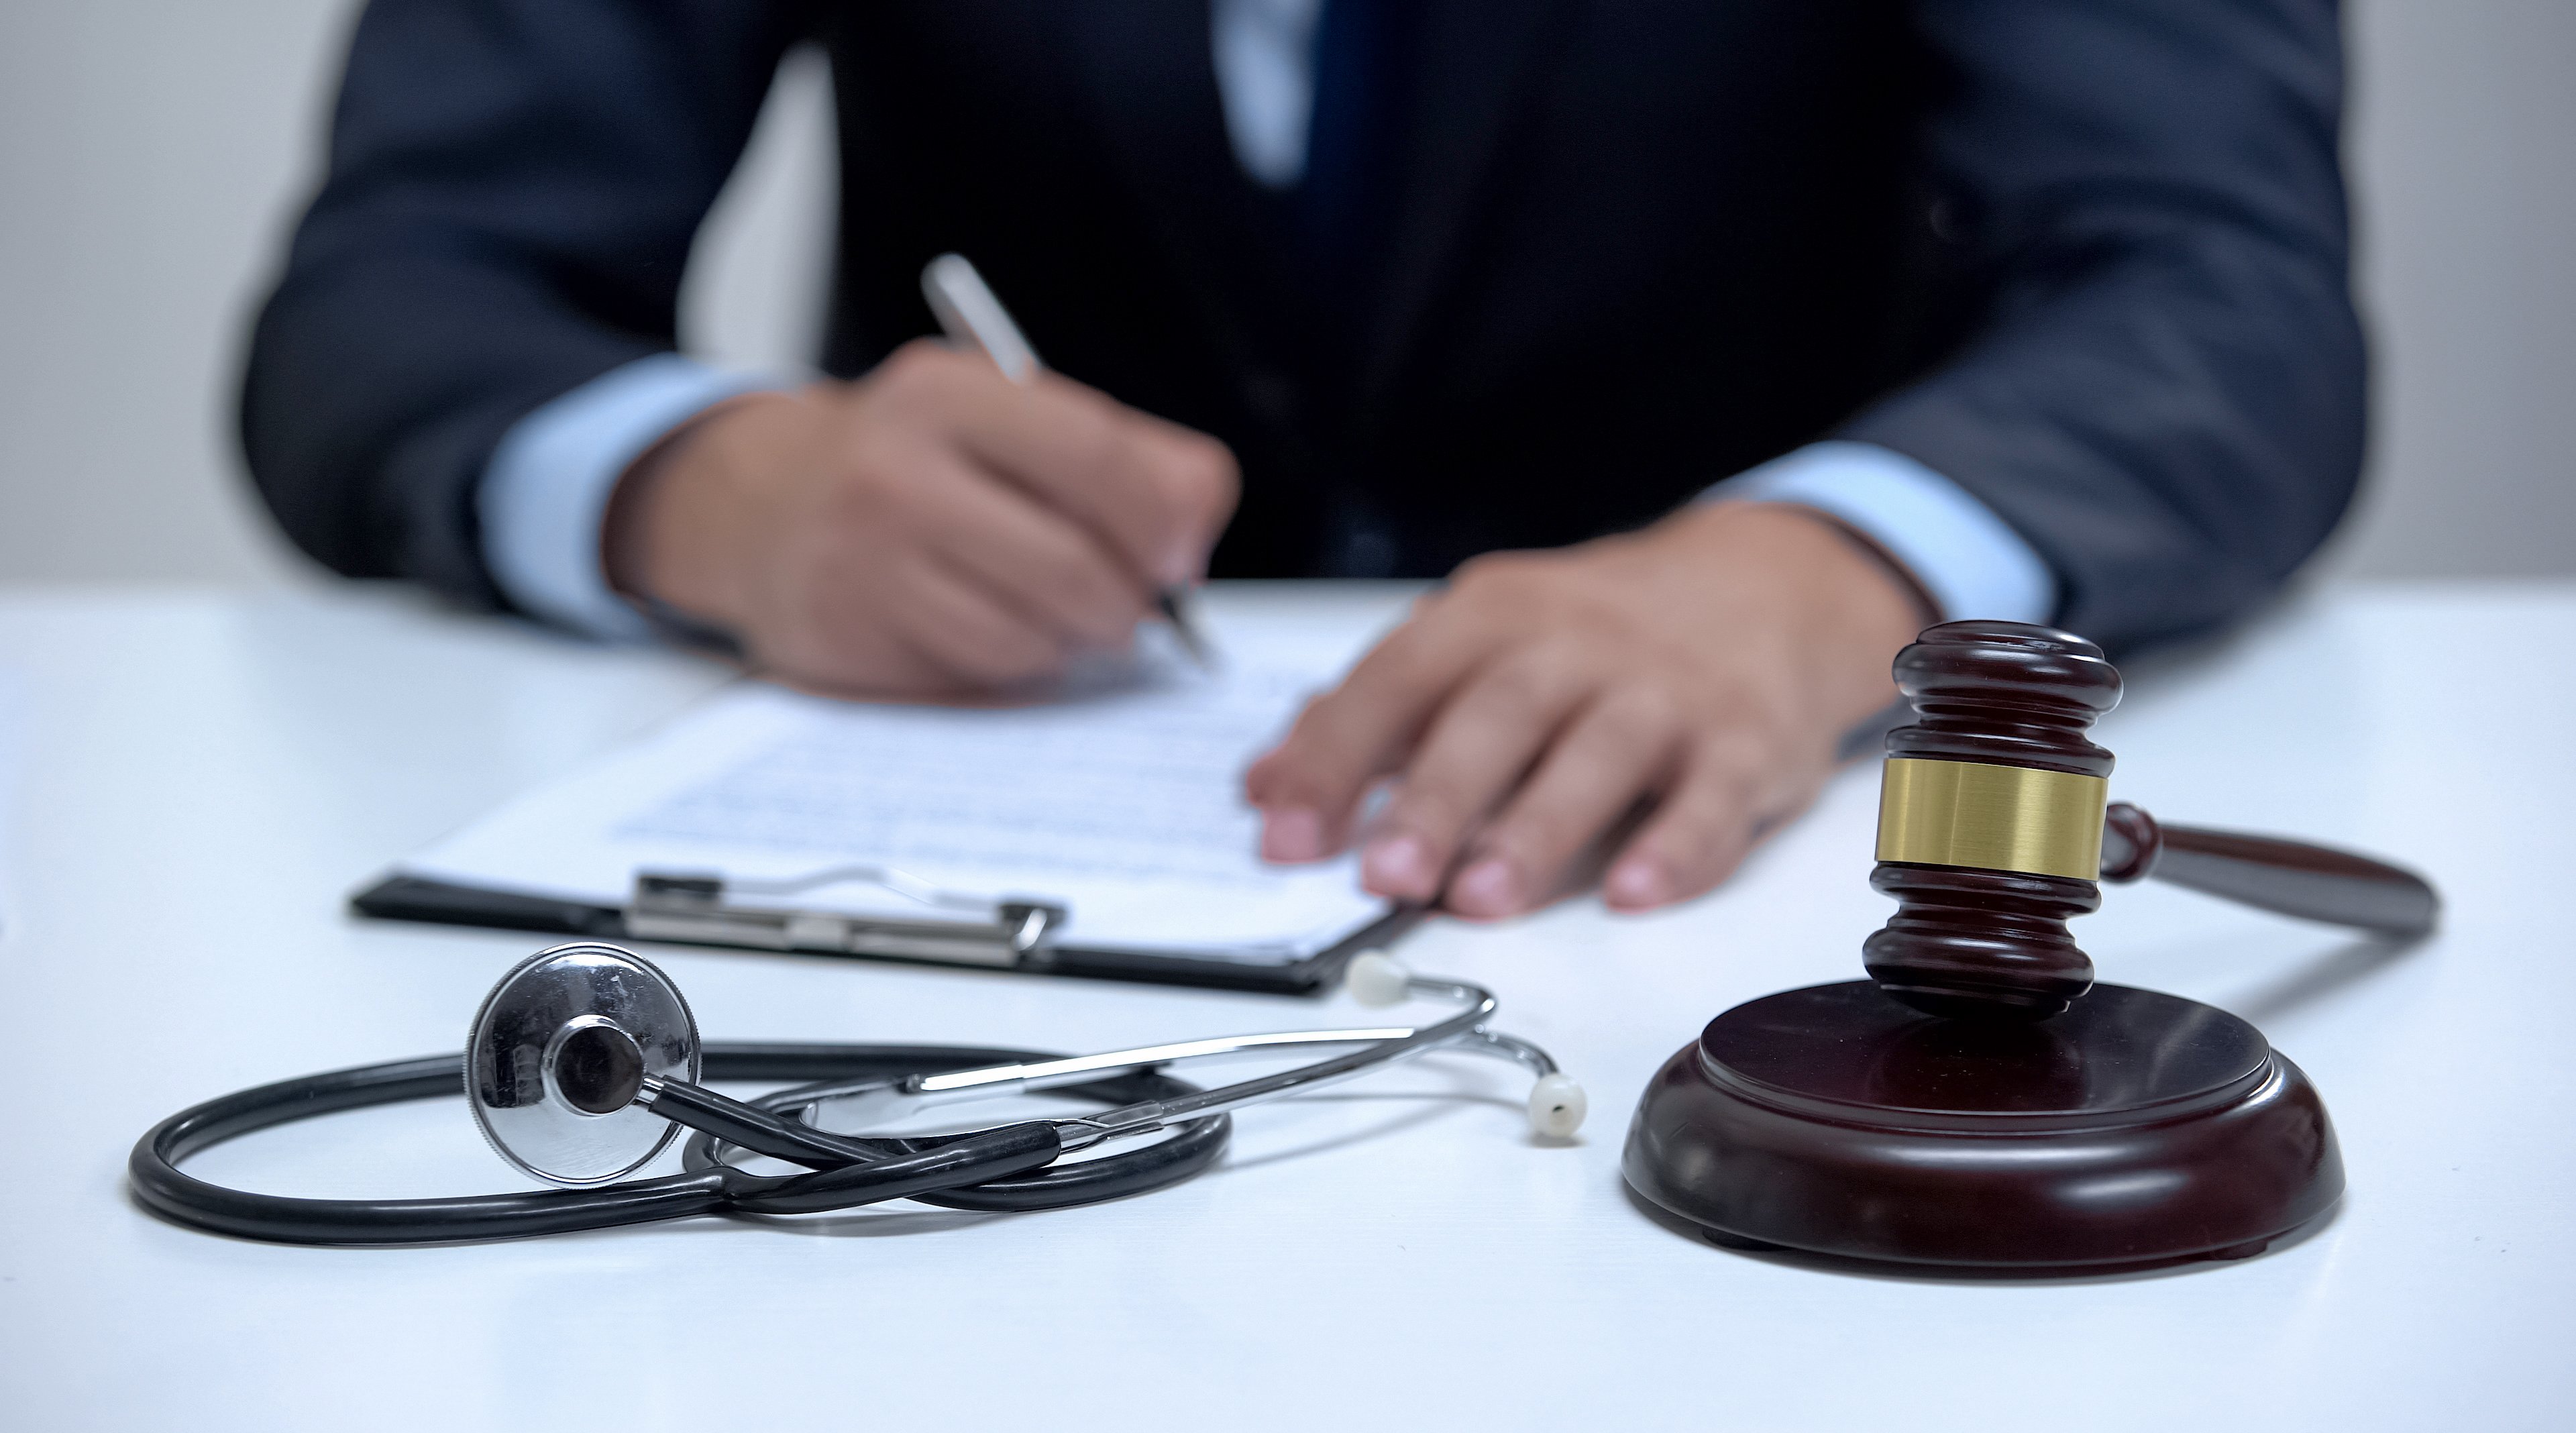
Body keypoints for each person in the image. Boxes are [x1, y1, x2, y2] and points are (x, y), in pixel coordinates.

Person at [241, 1, 2364, 921]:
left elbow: (2220, 290)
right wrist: (701, 483)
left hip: (1728, 911)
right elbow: (392, 299)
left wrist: (1820, 572)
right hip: (966, 858)